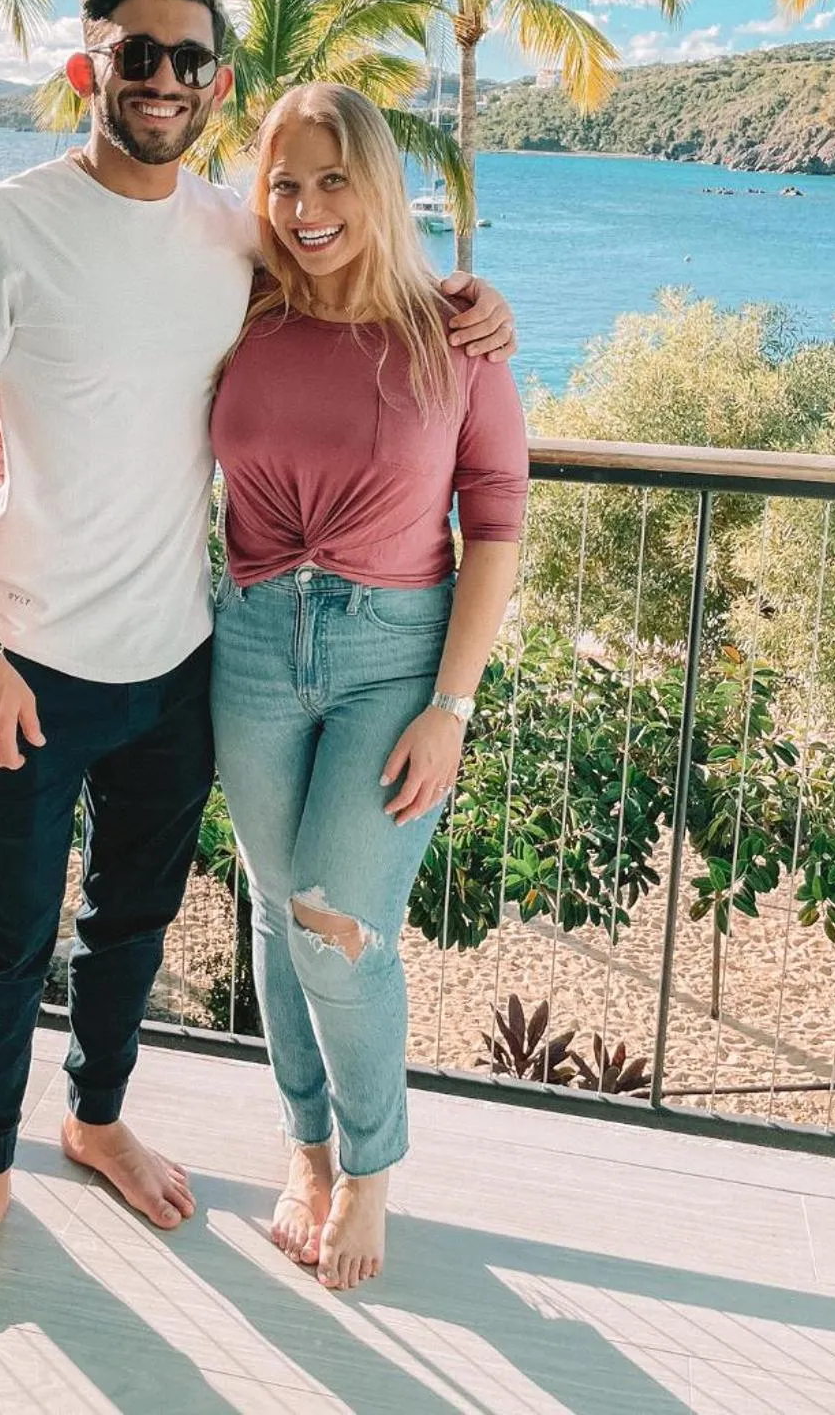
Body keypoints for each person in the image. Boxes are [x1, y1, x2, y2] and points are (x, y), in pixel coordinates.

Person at [0, 0, 516, 1313]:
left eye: (189, 59)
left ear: (217, 82)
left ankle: (97, 1119)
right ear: (91, 66)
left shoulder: (236, 238)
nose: (164, 78)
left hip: (186, 655)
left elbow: (354, 277)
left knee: (133, 921)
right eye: (138, 53)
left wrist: (476, 306)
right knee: (5, 937)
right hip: (30, 660)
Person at [210, 83, 527, 1293]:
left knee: (337, 923)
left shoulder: (457, 336)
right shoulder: (240, 305)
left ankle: (370, 1165)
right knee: (275, 900)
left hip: (394, 655)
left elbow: (497, 521)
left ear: (380, 184)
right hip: (249, 641)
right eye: (285, 182)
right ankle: (303, 1145)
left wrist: (453, 705)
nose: (306, 207)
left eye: (333, 178)